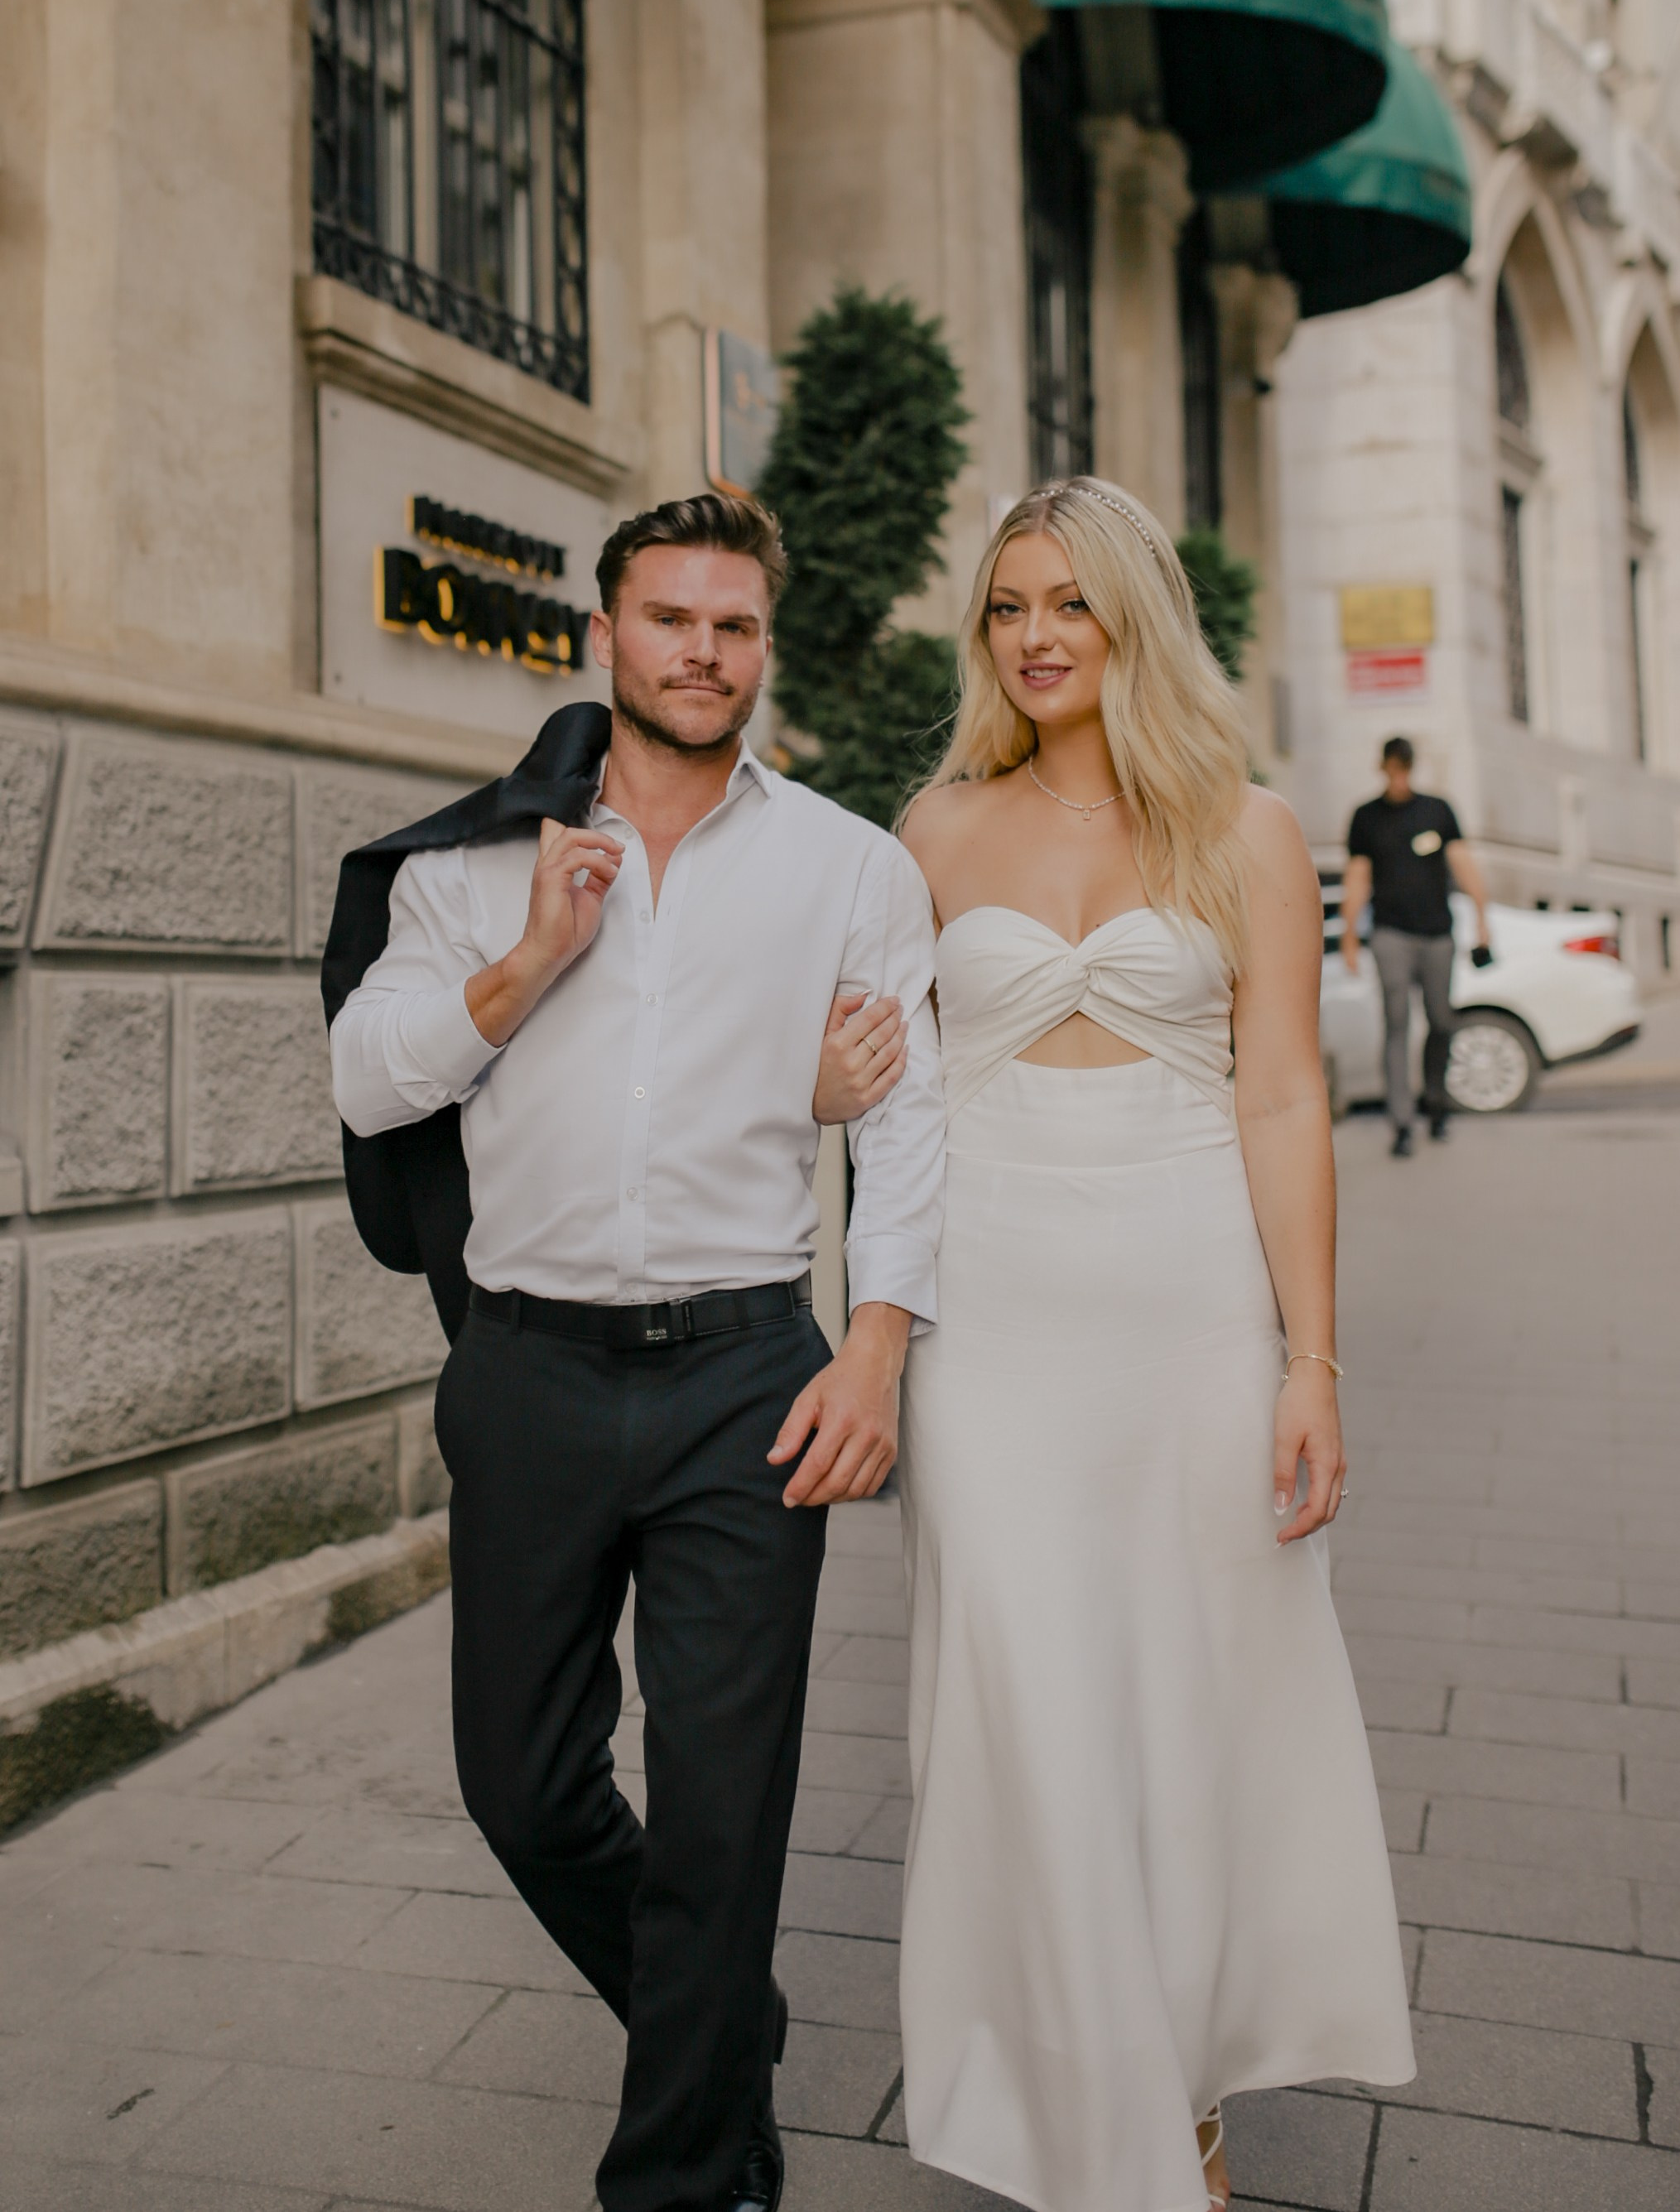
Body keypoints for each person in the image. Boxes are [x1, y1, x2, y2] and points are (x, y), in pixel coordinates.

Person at [330, 492, 945, 2212]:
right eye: (669, 618)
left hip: (746, 1374)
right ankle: (718, 2019)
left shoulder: (848, 865)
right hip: (525, 1367)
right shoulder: (472, 865)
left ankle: (685, 2166)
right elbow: (366, 1082)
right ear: (605, 636)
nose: (701, 651)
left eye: (733, 624)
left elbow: (906, 1124)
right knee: (521, 1787)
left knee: (724, 1802)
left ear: (763, 645)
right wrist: (533, 956)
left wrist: (875, 1349)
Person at [889, 478, 1414, 2212]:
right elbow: (880, 1098)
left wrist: (1308, 1362)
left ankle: (1172, 2087)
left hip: (1189, 1307)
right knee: (1023, 1702)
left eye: (1070, 602)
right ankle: (1084, 2097)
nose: (1034, 636)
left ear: (1134, 617)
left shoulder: (1243, 828)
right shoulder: (933, 828)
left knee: (1184, 1702)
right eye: (1006, 606)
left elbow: (1281, 1096)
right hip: (988, 1319)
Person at [1342, 737, 1490, 1156]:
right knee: (1396, 1022)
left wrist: (1483, 916)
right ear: (1383, 768)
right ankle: (1402, 1121)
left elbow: (1462, 862)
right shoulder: (1366, 817)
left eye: (1404, 769)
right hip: (1390, 933)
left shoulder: (1437, 810)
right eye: (1392, 770)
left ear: (1412, 768)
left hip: (1437, 933)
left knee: (1441, 1021)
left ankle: (1437, 1103)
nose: (1398, 778)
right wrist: (1350, 934)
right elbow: (1358, 876)